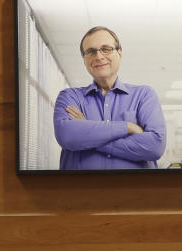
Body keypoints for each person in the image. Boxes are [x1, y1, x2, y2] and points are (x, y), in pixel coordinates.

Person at [53, 26, 166, 170]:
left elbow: (155, 147)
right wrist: (128, 127)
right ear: (84, 60)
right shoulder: (70, 97)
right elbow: (67, 136)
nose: (99, 56)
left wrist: (89, 133)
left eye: (106, 49)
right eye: (91, 51)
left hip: (136, 191)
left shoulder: (144, 95)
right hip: (80, 190)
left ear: (119, 53)